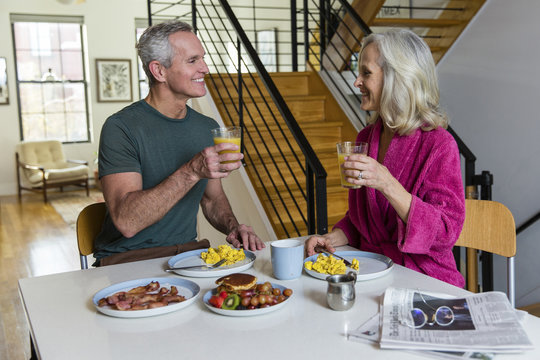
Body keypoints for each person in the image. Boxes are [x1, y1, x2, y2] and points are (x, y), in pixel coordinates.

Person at [94, 21, 264, 265]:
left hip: (187, 256)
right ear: (159, 71)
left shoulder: (205, 127)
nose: (205, 68)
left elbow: (212, 200)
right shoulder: (121, 128)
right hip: (128, 260)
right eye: (193, 60)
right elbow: (127, 222)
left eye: (203, 59)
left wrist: (233, 227)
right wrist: (191, 171)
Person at [305, 29, 465, 287]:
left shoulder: (439, 144)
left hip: (424, 279)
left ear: (397, 79)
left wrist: (387, 183)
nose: (357, 82)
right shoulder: (366, 138)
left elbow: (445, 232)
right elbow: (366, 221)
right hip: (374, 271)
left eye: (366, 73)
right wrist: (333, 238)